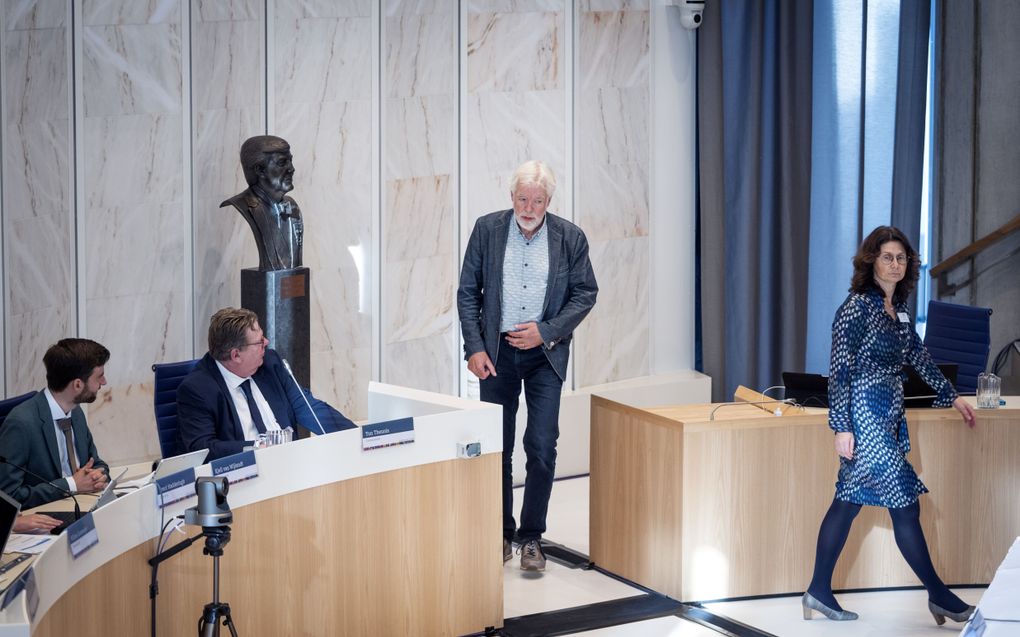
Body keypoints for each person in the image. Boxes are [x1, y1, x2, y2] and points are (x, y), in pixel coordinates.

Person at [803, 226, 977, 625]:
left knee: (847, 503)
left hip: (888, 414)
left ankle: (817, 590)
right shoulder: (856, 307)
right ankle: (940, 596)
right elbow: (840, 370)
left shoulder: (896, 307)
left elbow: (918, 355)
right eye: (888, 257)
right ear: (871, 260)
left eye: (902, 258)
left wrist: (952, 395)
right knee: (905, 506)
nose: (896, 264)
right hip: (863, 414)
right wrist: (841, 426)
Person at [457, 160, 598, 571]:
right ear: (511, 197)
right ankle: (499, 532)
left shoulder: (570, 237)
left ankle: (531, 537)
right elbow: (468, 292)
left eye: (537, 200)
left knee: (540, 446)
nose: (529, 206)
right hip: (496, 356)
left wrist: (546, 331)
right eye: (523, 198)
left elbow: (585, 293)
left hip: (544, 357)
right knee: (497, 448)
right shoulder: (488, 229)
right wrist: (474, 348)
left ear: (548, 201)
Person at [177, 307, 356, 461]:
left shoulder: (270, 363)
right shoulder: (197, 389)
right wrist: (256, 448)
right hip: (244, 478)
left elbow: (309, 408)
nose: (267, 343)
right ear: (236, 355)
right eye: (260, 342)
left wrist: (355, 437)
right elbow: (203, 449)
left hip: (291, 466)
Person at [0, 339, 111, 508]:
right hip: (44, 518)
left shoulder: (75, 411)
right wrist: (72, 485)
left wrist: (99, 475)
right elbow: (9, 496)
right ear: (78, 385)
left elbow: (95, 462)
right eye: (99, 376)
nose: (104, 382)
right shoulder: (21, 423)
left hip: (81, 505)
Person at [221, 135, 303, 271]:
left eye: (290, 161)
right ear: (260, 170)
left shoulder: (293, 208)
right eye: (282, 163)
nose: (291, 169)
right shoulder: (245, 204)